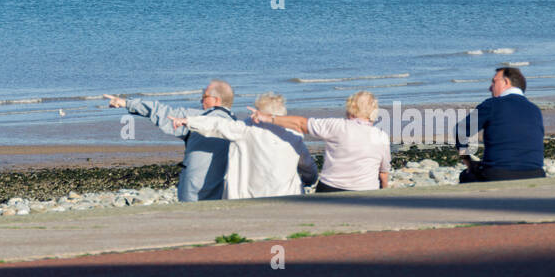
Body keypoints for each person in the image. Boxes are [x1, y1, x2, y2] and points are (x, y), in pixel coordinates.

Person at [103, 81, 235, 201]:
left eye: (205, 96)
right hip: (222, 191)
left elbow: (161, 112)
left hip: (194, 191)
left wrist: (127, 103)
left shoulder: (198, 118)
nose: (201, 100)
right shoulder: (237, 125)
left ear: (217, 100)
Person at [171, 92, 318, 199]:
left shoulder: (245, 130)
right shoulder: (294, 135)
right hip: (288, 195)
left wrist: (188, 121)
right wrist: (310, 180)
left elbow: (217, 125)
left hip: (248, 196)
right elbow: (308, 165)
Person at [251, 90, 390, 191]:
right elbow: (383, 173)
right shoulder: (381, 136)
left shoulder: (337, 126)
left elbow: (301, 124)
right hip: (366, 191)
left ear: (350, 108)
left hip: (331, 188)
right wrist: (384, 193)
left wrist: (269, 118)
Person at [453, 66, 545, 182]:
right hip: (536, 174)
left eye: (494, 82)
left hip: (499, 174)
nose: (490, 88)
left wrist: (467, 160)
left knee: (466, 176)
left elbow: (460, 130)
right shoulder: (535, 110)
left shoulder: (493, 105)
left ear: (506, 82)